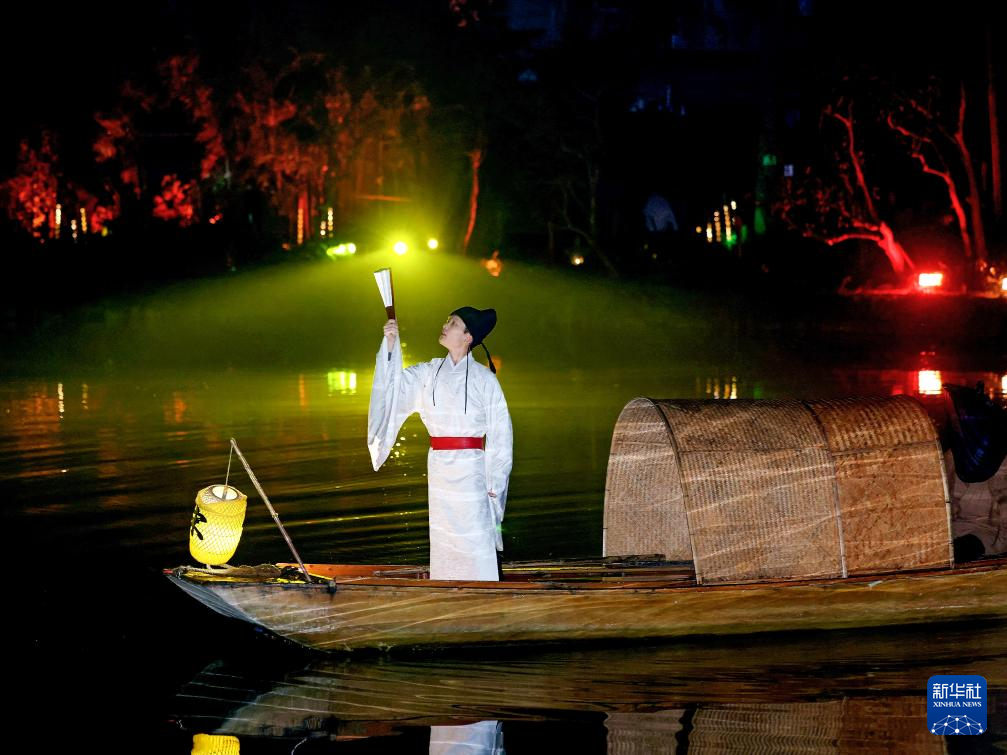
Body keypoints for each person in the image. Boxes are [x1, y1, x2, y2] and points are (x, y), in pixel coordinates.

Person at [367, 307, 513, 580]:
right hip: (439, 466)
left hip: (472, 470)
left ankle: (483, 588)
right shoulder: (428, 373)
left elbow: (501, 433)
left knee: (474, 532)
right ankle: (447, 586)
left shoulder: (484, 379)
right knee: (444, 534)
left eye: (453, 323)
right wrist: (390, 346)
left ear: (468, 336)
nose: (445, 325)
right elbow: (393, 389)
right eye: (447, 320)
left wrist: (495, 480)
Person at [942, 383, 1007, 562]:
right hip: (951, 538)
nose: (956, 426)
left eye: (959, 422)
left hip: (990, 541)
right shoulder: (951, 456)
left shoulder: (1002, 460)